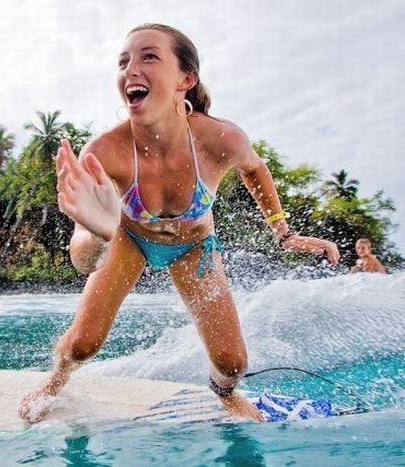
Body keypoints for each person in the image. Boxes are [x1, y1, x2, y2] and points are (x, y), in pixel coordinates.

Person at [18, 23, 340, 423]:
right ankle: (55, 379)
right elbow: (84, 261)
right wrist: (100, 234)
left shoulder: (221, 139)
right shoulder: (105, 152)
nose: (130, 69)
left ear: (185, 79)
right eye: (123, 61)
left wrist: (284, 232)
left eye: (148, 56)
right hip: (129, 239)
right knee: (84, 344)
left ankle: (224, 394)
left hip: (195, 247)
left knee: (232, 364)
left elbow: (255, 170)